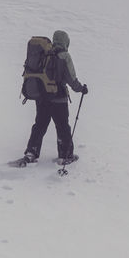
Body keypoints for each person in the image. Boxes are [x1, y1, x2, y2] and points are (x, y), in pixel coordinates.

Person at [22, 30, 88, 164]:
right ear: (65, 42)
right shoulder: (64, 56)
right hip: (58, 99)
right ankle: (65, 155)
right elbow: (71, 79)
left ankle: (31, 152)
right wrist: (81, 89)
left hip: (42, 97)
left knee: (40, 125)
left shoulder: (44, 54)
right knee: (62, 126)